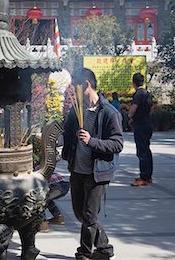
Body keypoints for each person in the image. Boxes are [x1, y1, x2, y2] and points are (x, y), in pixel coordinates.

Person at [62, 68, 123, 260]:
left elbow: (117, 143)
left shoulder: (109, 113)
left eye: (75, 85)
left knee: (89, 216)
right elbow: (68, 135)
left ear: (86, 85)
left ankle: (84, 253)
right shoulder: (76, 110)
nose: (73, 90)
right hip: (77, 170)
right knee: (82, 215)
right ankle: (104, 248)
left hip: (98, 173)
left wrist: (92, 141)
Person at [129, 73, 154, 187]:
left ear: (134, 82)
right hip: (147, 124)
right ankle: (147, 176)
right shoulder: (147, 93)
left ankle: (144, 177)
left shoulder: (138, 94)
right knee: (146, 150)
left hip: (140, 125)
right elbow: (152, 109)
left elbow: (133, 109)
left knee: (142, 152)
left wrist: (130, 117)